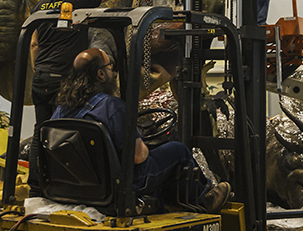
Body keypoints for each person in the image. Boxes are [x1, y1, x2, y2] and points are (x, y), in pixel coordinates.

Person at [27, 0, 152, 196]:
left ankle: (36, 189)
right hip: (63, 81)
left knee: (41, 132)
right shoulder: (77, 0)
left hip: (40, 79)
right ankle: (70, 187)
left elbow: (33, 44)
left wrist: (40, 69)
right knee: (70, 134)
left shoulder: (40, 6)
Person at [51, 48, 230, 213]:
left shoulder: (61, 110)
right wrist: (143, 145)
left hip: (79, 186)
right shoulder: (112, 107)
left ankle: (167, 205)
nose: (113, 72)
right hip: (121, 184)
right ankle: (203, 199)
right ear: (100, 74)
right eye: (110, 66)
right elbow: (139, 157)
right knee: (178, 150)